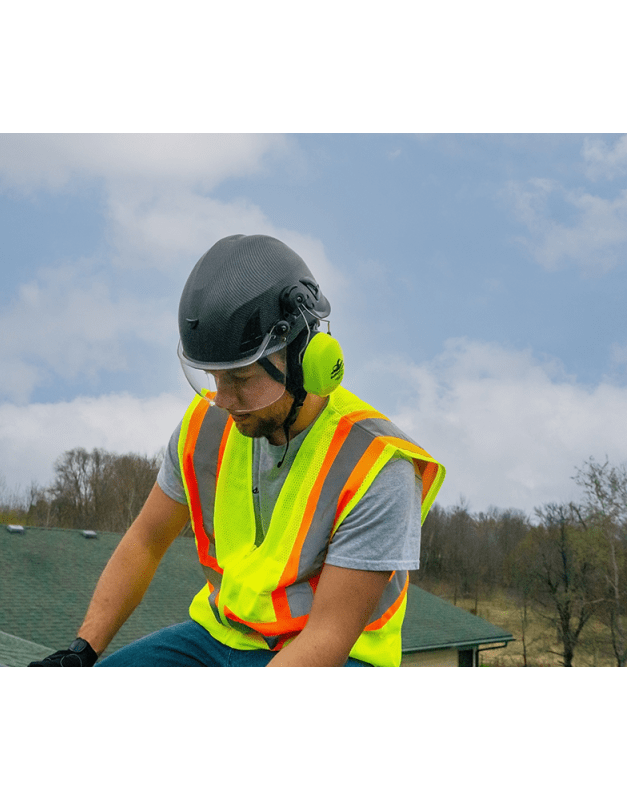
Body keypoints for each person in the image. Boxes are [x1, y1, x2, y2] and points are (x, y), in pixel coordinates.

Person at [29, 234, 445, 667]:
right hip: (218, 637)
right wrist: (81, 651)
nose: (222, 400)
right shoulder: (204, 427)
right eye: (214, 377)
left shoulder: (377, 467)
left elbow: (329, 636)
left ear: (305, 359)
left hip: (331, 657)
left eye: (241, 380)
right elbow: (146, 541)